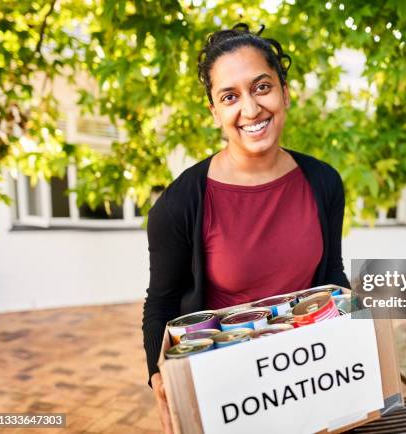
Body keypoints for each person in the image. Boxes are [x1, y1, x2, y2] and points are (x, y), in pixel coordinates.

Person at [142, 23, 350, 433]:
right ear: (215, 112)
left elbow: (330, 275)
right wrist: (158, 376)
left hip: (310, 379)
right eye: (230, 97)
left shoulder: (323, 182)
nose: (251, 110)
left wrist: (356, 336)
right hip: (227, 393)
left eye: (261, 87)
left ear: (284, 93)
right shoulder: (181, 203)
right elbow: (162, 304)